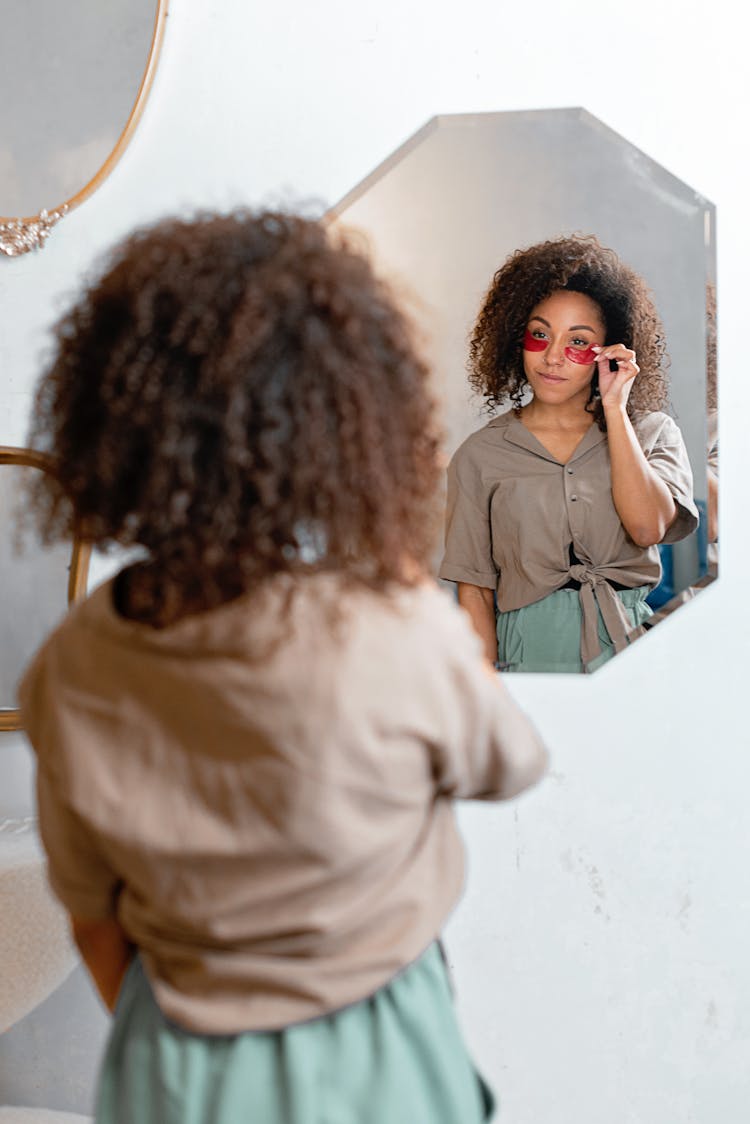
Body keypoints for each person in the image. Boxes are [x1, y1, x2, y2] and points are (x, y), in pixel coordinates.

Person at [18, 211, 548, 1124]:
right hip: (378, 1045)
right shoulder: (392, 627)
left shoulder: (75, 659)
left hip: (176, 1053)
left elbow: (92, 913)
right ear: (357, 429)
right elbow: (509, 761)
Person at [439, 235, 699, 674]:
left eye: (577, 342)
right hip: (527, 659)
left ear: (610, 349)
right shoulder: (479, 455)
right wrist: (488, 699)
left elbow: (647, 527)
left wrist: (615, 409)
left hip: (632, 658)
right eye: (540, 335)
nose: (553, 357)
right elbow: (475, 593)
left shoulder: (652, 432)